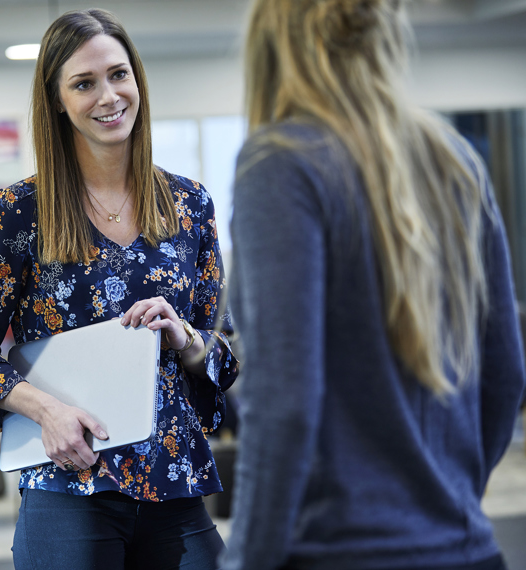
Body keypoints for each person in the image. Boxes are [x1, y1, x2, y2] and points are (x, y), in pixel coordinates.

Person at [221, 1, 526, 569]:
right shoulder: (456, 160)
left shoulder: (280, 164)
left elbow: (284, 404)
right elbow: (506, 376)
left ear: (273, 40)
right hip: (466, 550)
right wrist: (445, 503)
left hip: (339, 552)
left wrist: (245, 561)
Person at [0, 8, 239, 569]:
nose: (109, 96)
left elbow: (223, 353)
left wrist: (185, 336)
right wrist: (46, 412)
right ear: (58, 101)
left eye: (118, 74)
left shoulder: (190, 204)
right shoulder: (21, 211)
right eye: (84, 83)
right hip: (69, 481)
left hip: (173, 478)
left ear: (137, 79)